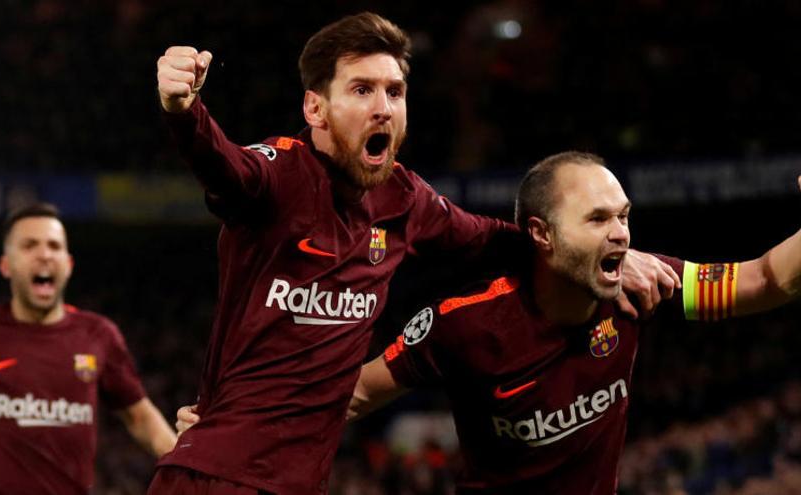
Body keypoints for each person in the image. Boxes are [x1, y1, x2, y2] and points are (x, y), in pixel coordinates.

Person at [154, 13, 678, 494]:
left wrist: (598, 251)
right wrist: (185, 111)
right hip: (219, 476)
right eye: (361, 90)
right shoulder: (278, 175)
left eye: (395, 91)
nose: (383, 107)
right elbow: (225, 167)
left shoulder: (404, 200)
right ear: (315, 107)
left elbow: (501, 240)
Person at [342, 152, 801, 494]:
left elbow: (764, 281)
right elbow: (355, 394)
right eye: (598, 219)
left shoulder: (641, 284)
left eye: (623, 216)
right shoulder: (466, 322)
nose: (620, 232)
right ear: (542, 234)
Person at [0, 203, 177, 494]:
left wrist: (189, 464)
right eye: (29, 245)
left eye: (54, 246)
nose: (44, 254)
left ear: (68, 265)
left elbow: (141, 418)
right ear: (5, 265)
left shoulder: (98, 334)